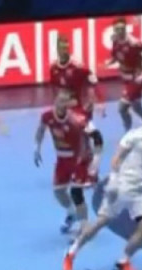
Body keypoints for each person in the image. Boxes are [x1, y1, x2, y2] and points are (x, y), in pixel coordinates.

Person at [63, 109, 142, 270]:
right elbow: (116, 159)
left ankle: (123, 261)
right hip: (122, 186)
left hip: (141, 191)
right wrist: (113, 182)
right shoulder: (136, 135)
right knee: (100, 223)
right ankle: (71, 253)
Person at [49, 35, 105, 233]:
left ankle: (89, 172)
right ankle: (72, 211)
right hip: (65, 110)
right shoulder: (53, 68)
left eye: (66, 46)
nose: (64, 49)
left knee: (85, 140)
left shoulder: (78, 67)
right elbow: (55, 90)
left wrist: (98, 101)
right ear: (57, 48)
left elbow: (93, 81)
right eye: (61, 46)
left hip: (79, 110)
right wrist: (57, 106)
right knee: (68, 142)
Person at [34, 90, 92, 234]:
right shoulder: (47, 116)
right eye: (59, 100)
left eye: (64, 101)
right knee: (59, 192)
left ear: (68, 104)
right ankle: (72, 212)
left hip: (77, 158)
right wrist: (37, 148)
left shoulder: (75, 119)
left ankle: (84, 226)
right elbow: (40, 131)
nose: (60, 103)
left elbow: (86, 138)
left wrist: (87, 157)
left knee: (76, 192)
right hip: (61, 159)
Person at [106, 17, 142, 131]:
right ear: (114, 30)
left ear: (125, 28)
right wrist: (109, 62)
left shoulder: (135, 43)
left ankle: (128, 131)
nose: (120, 31)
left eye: (122, 28)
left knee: (122, 108)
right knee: (136, 107)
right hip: (125, 77)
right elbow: (116, 56)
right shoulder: (115, 40)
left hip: (135, 79)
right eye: (117, 29)